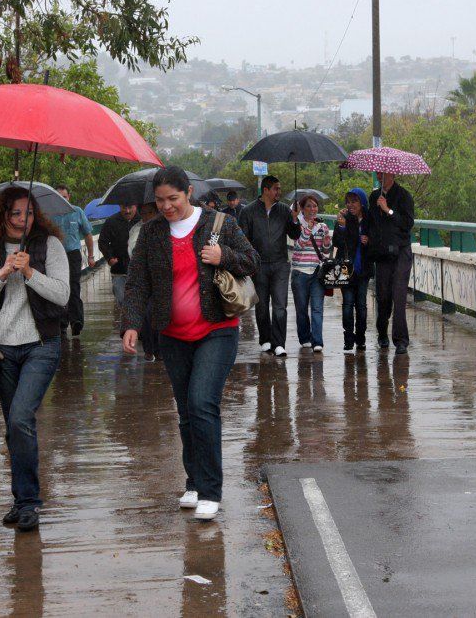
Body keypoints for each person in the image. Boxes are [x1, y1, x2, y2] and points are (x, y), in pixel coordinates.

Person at [122, 166, 259, 521]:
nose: (167, 206)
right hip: (172, 335)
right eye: (160, 201)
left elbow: (252, 261)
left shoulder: (219, 224)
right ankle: (194, 482)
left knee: (201, 404)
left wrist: (223, 256)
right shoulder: (152, 232)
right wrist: (132, 324)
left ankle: (211, 491)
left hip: (217, 330)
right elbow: (137, 283)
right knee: (185, 411)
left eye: (173, 199)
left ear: (188, 193)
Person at [0, 187, 69, 532]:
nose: (23, 220)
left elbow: (62, 294)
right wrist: (2, 273)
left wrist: (29, 273)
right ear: (3, 215)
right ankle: (21, 498)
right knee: (14, 427)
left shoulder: (49, 246)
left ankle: (28, 503)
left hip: (42, 344)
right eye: (15, 213)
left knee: (21, 417)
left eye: (28, 213)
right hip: (3, 349)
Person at [238, 175, 301, 357]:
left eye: (279, 188)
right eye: (276, 189)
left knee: (280, 305)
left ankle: (279, 343)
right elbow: (243, 239)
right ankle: (265, 339)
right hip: (259, 265)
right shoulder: (248, 211)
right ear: (265, 190)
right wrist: (248, 263)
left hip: (280, 264)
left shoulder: (284, 210)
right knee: (262, 305)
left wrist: (295, 219)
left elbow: (295, 235)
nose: (279, 192)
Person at [368, 172, 415, 354]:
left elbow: (407, 223)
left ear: (392, 174)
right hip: (383, 253)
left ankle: (401, 340)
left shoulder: (404, 196)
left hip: (401, 251)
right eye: (378, 173)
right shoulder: (374, 196)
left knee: (399, 294)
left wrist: (388, 210)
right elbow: (371, 223)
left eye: (383, 174)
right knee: (383, 296)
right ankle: (382, 332)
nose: (380, 176)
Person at [289, 194, 331, 352]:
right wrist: (308, 229)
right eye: (308, 206)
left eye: (315, 206)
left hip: (317, 273)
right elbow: (298, 245)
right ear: (302, 209)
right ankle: (305, 337)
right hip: (300, 273)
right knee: (301, 310)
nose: (312, 209)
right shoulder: (296, 225)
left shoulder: (323, 226)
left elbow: (325, 252)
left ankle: (317, 341)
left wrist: (326, 243)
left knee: (317, 308)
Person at [333, 188, 372, 353]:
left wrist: (369, 240)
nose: (350, 205)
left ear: (362, 203)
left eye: (354, 201)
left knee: (361, 305)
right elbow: (337, 242)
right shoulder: (343, 218)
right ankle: (348, 338)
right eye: (348, 202)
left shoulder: (370, 219)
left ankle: (361, 338)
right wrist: (342, 227)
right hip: (346, 267)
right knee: (348, 304)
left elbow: (377, 240)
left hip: (363, 268)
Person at [53, 184, 95, 336]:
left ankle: (76, 321)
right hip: (55, 256)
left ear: (69, 197)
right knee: (58, 288)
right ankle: (62, 322)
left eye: (64, 197)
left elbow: (88, 234)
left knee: (74, 286)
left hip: (73, 254)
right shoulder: (49, 214)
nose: (62, 199)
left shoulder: (77, 212)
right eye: (59, 197)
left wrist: (91, 256)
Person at [129, 202, 161, 361]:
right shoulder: (136, 230)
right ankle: (149, 349)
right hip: (144, 281)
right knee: (147, 316)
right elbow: (133, 253)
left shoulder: (165, 228)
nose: (146, 217)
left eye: (150, 213)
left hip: (161, 281)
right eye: (143, 213)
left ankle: (159, 349)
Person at [98, 204, 139, 307]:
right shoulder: (111, 221)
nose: (127, 210)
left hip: (139, 270)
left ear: (136, 206)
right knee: (121, 300)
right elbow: (102, 242)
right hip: (119, 270)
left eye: (130, 207)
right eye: (124, 207)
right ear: (120, 206)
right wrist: (109, 258)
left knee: (138, 302)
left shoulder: (143, 220)